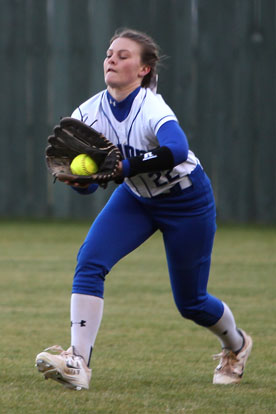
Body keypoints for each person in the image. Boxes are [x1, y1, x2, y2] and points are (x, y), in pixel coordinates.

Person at [35, 28, 252, 390]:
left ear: (144, 70)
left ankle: (237, 345)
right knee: (90, 262)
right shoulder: (88, 112)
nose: (112, 59)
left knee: (191, 302)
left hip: (186, 200)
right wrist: (82, 181)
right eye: (109, 53)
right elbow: (91, 184)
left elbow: (176, 150)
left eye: (123, 55)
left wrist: (123, 168)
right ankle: (78, 363)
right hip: (136, 198)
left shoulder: (152, 106)